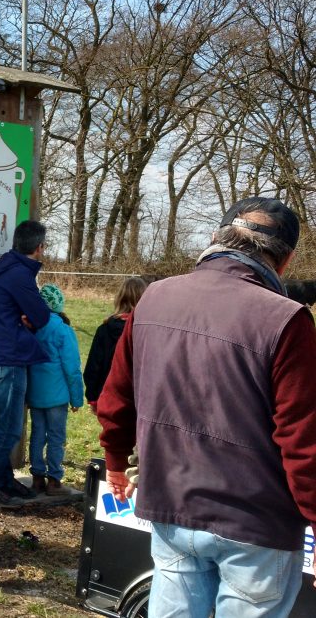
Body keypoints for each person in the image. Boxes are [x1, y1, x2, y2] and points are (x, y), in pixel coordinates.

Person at [98, 197, 316, 616]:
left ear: (217, 238)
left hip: (172, 505)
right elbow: (303, 438)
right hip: (256, 525)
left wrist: (114, 460)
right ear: (284, 261)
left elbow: (116, 397)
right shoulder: (287, 319)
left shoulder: (153, 298)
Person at [0, 219, 51, 506]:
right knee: (8, 427)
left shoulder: (4, 268)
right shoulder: (19, 275)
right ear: (38, 247)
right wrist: (27, 319)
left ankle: (5, 479)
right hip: (9, 358)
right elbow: (42, 316)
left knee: (2, 424)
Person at [27, 284, 82, 497]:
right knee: (56, 436)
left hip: (35, 393)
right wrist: (76, 397)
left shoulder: (31, 327)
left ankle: (37, 478)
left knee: (37, 435)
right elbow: (72, 368)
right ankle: (55, 480)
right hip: (57, 396)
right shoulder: (62, 330)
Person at [82, 276, 146, 411]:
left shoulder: (105, 330)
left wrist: (93, 397)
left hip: (112, 398)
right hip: (138, 399)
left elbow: (93, 368)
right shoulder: (147, 332)